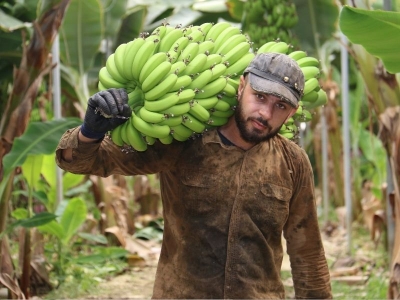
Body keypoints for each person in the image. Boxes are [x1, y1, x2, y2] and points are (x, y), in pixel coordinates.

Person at [56, 52, 332, 299]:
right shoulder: (183, 140)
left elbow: (306, 250)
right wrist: (90, 132)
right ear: (241, 87)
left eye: (280, 106)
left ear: (292, 112)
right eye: (259, 97)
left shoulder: (293, 162)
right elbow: (87, 162)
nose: (265, 113)